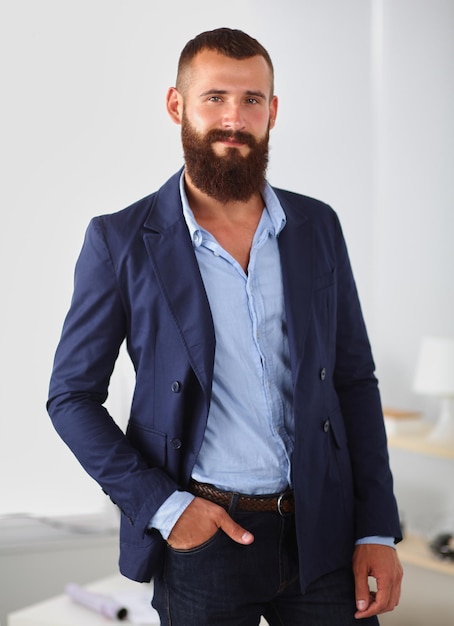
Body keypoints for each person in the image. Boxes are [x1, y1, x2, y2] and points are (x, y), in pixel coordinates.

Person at [47, 27, 403, 625]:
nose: (234, 119)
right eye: (215, 98)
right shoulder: (120, 241)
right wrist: (164, 507)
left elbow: (354, 382)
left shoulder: (317, 226)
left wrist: (377, 528)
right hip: (205, 539)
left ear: (273, 111)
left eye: (252, 100)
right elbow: (71, 398)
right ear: (176, 105)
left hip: (324, 534)